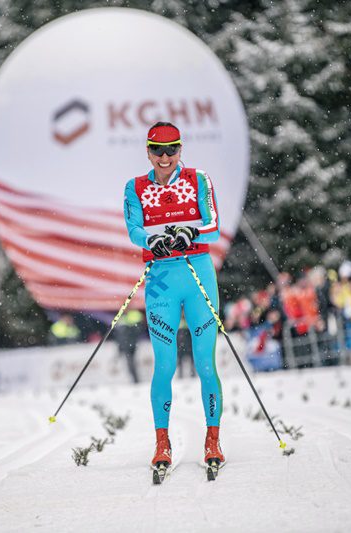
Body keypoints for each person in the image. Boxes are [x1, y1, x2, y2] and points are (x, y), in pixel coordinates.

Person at [123, 122, 224, 471]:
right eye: (157, 150)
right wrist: (151, 240)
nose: (164, 157)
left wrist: (190, 232)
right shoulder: (135, 187)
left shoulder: (198, 179)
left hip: (198, 274)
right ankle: (162, 444)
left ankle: (213, 440)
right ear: (148, 152)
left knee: (205, 363)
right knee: (164, 365)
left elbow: (214, 225)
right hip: (161, 280)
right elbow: (134, 229)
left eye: (171, 150)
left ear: (181, 150)